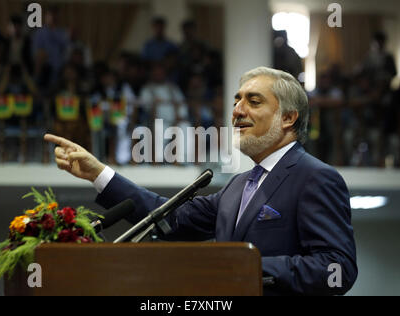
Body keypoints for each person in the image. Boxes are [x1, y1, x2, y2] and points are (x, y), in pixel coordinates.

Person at [44, 66, 357, 296]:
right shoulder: (237, 186)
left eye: (253, 101)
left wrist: (244, 264)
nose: (237, 111)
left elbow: (337, 269)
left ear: (288, 118)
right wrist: (99, 173)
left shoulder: (315, 177)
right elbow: (170, 218)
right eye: (236, 101)